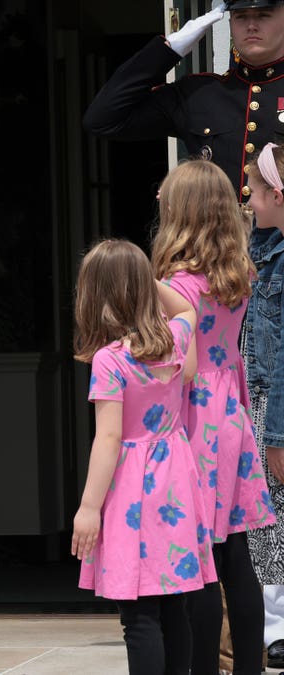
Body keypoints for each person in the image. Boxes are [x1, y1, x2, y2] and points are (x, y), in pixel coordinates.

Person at [151, 159, 274, 675]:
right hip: (232, 415)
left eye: (166, 195)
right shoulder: (239, 272)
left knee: (200, 561)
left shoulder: (176, 284)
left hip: (192, 420)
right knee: (236, 555)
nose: (158, 199)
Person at [72, 239, 217, 675]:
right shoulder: (174, 341)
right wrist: (143, 279)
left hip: (132, 492)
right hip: (176, 481)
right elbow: (188, 311)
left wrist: (89, 507)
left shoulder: (109, 360)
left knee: (139, 616)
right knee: (174, 608)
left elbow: (110, 437)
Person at [83, 0, 284, 199]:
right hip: (214, 231)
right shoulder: (199, 93)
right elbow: (103, 120)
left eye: (263, 15)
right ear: (230, 22)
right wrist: (169, 49)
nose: (251, 26)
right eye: (240, 17)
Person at [242, 143, 284, 665]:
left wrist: (275, 434)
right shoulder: (266, 247)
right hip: (267, 402)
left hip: (274, 405)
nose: (248, 201)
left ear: (277, 193)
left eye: (253, 191)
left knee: (270, 520)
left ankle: (276, 625)